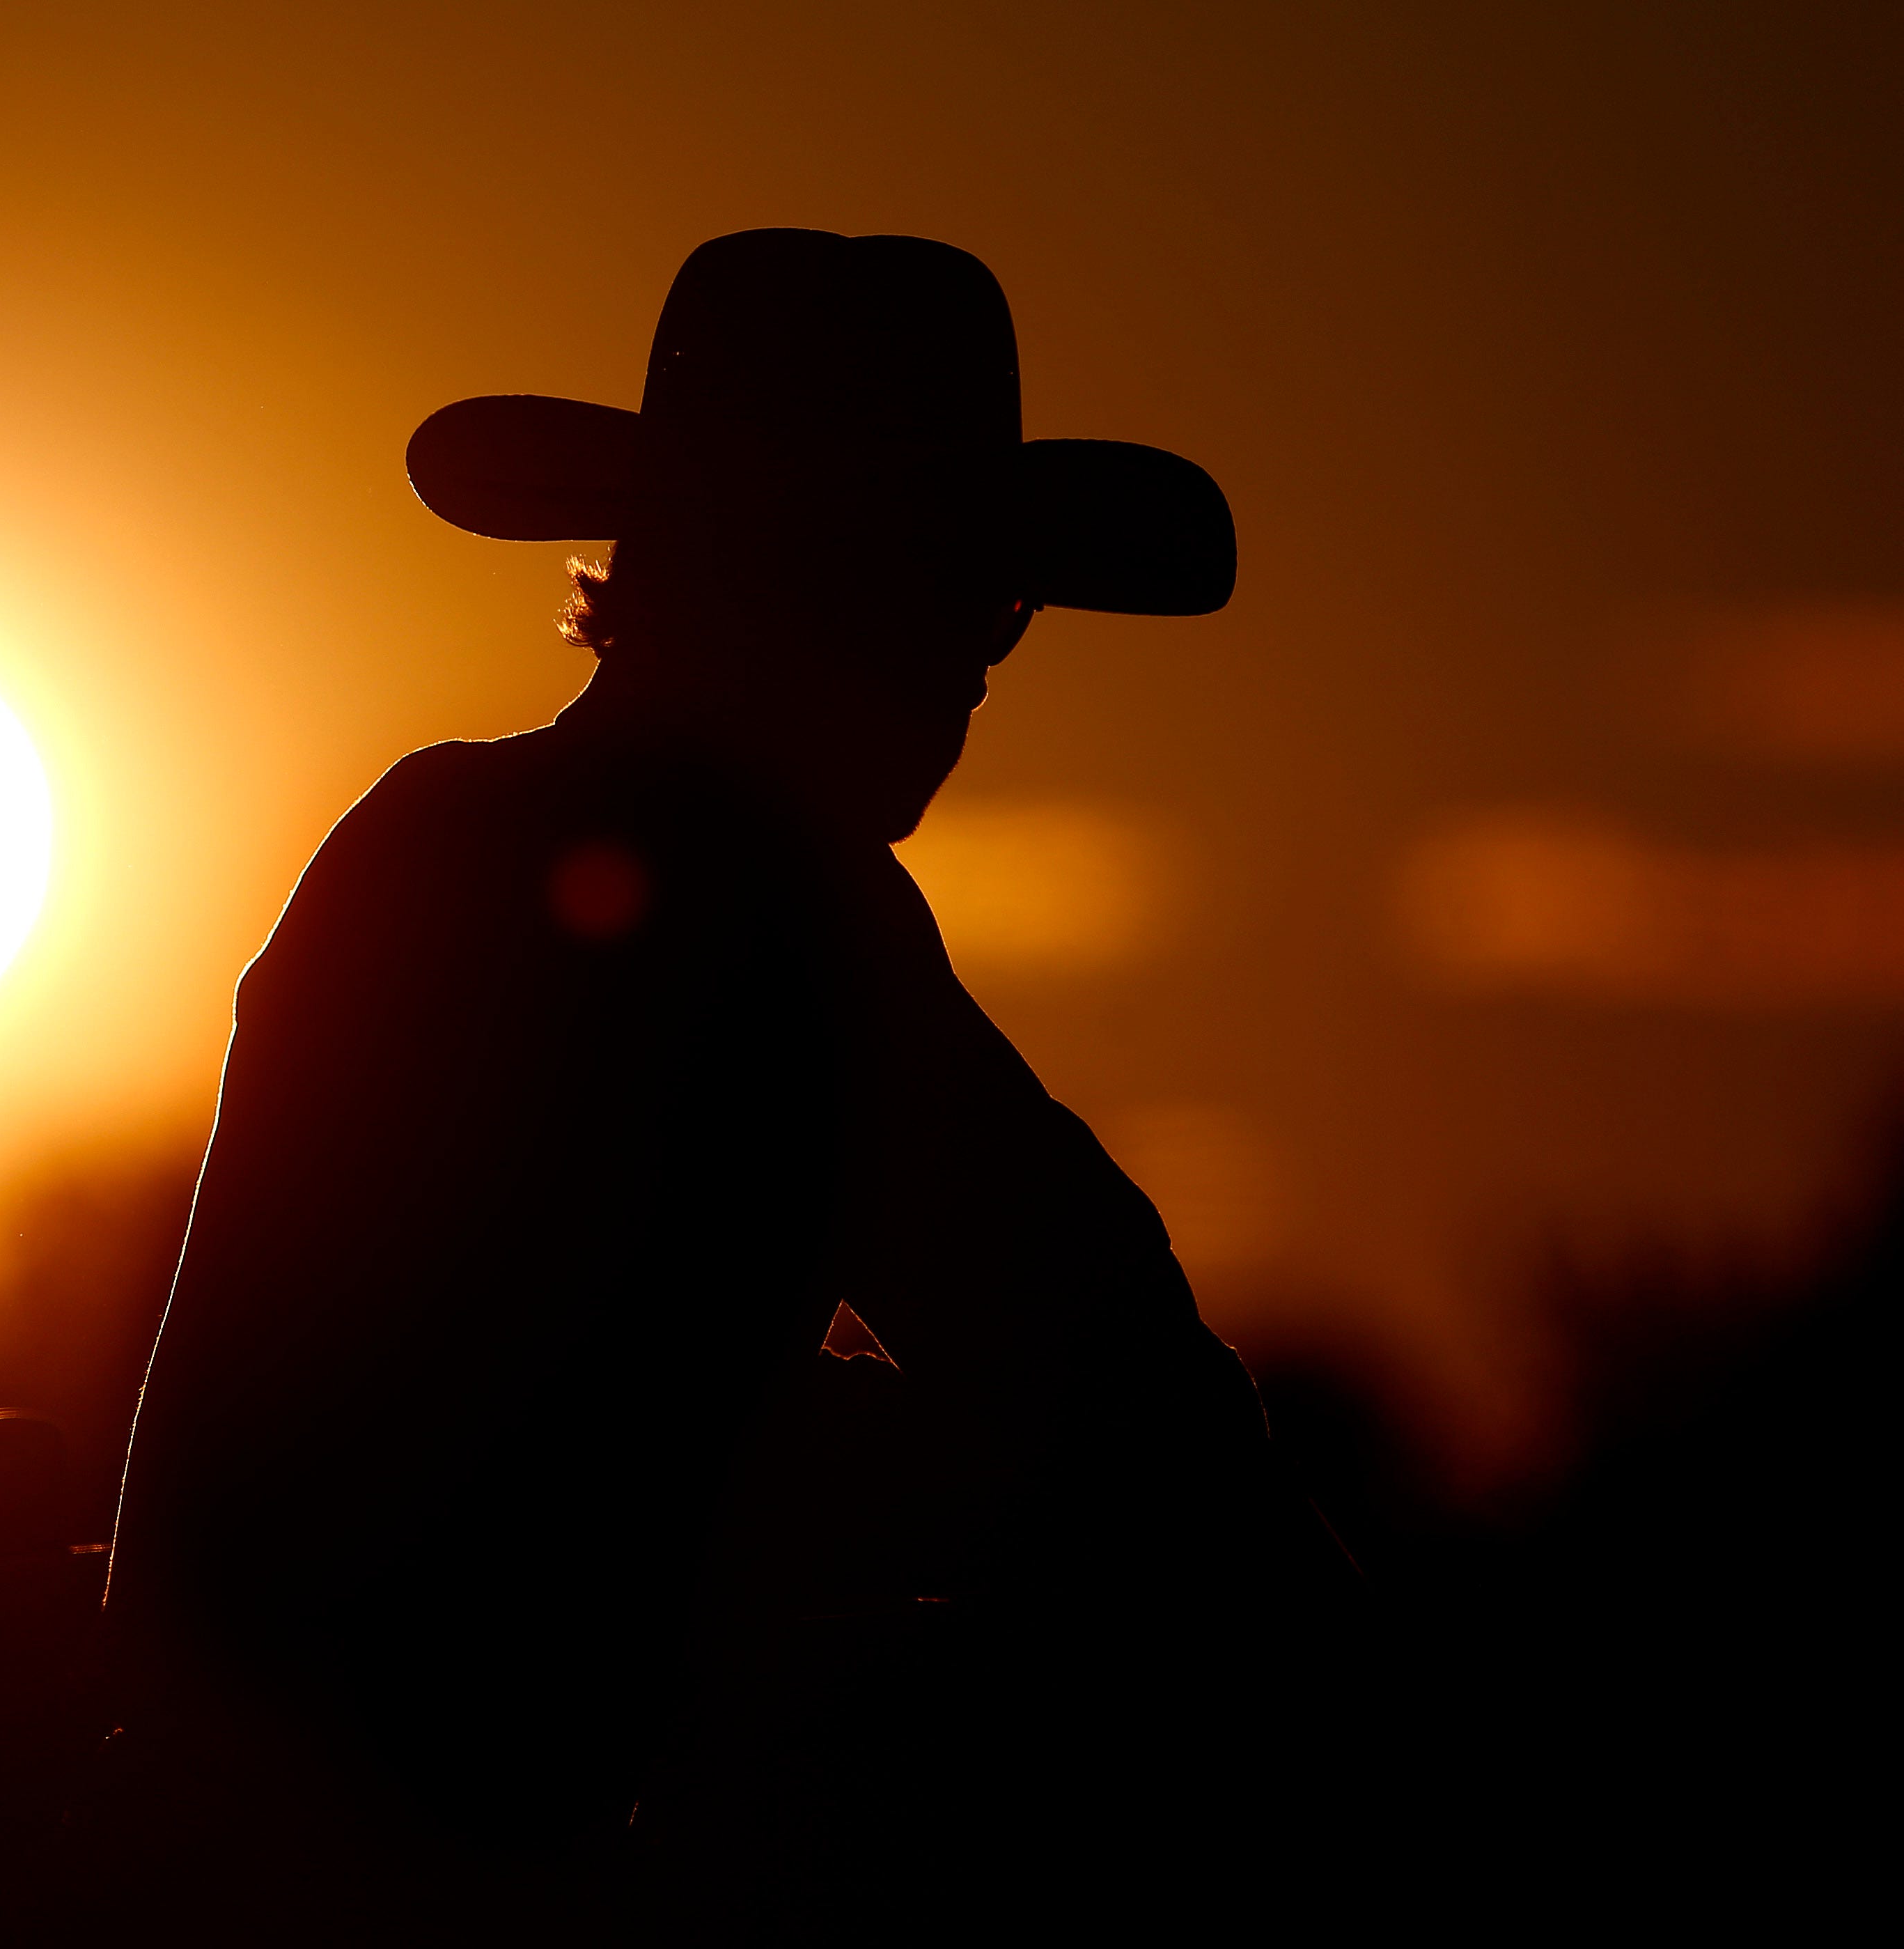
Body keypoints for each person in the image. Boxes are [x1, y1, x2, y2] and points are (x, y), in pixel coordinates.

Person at [105, 229, 1353, 1939]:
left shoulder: (417, 839)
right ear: (829, 595)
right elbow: (1122, 1396)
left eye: (993, 603)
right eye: (959, 594)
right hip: (455, 1877)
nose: (976, 664)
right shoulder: (775, 902)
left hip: (214, 1840)